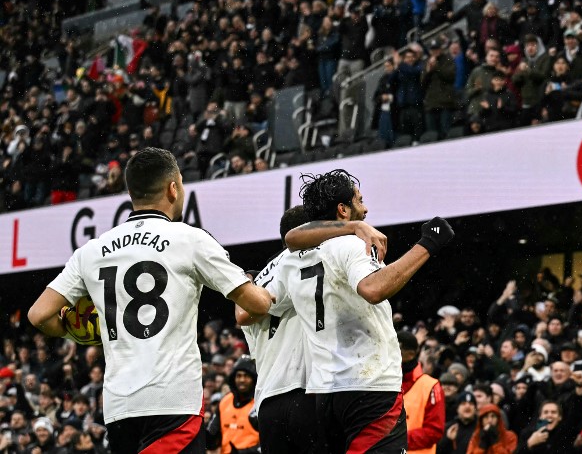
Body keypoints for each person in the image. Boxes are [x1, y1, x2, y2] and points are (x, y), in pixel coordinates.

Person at [27, 147, 273, 453]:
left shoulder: (91, 250)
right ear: (173, 188)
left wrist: (80, 331)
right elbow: (258, 304)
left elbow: (39, 315)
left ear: (132, 191)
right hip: (173, 403)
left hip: (119, 407)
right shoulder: (189, 239)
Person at [275, 168, 454, 452]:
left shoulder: (289, 261)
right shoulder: (351, 244)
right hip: (370, 388)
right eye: (360, 200)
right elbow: (373, 289)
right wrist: (427, 245)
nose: (366, 208)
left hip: (324, 392)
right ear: (343, 209)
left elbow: (292, 239)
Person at [238, 205, 385, 454]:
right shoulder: (310, 258)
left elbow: (243, 315)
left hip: (267, 401)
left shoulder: (256, 281)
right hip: (307, 391)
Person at [399, 331, 446, 454]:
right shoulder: (383, 383)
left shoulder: (431, 386)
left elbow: (434, 432)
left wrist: (398, 440)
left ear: (409, 353)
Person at [206, 356, 260, 454]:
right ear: (233, 378)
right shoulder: (225, 401)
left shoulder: (259, 403)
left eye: (246, 376)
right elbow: (212, 438)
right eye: (238, 376)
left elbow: (267, 442)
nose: (242, 380)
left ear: (253, 379)